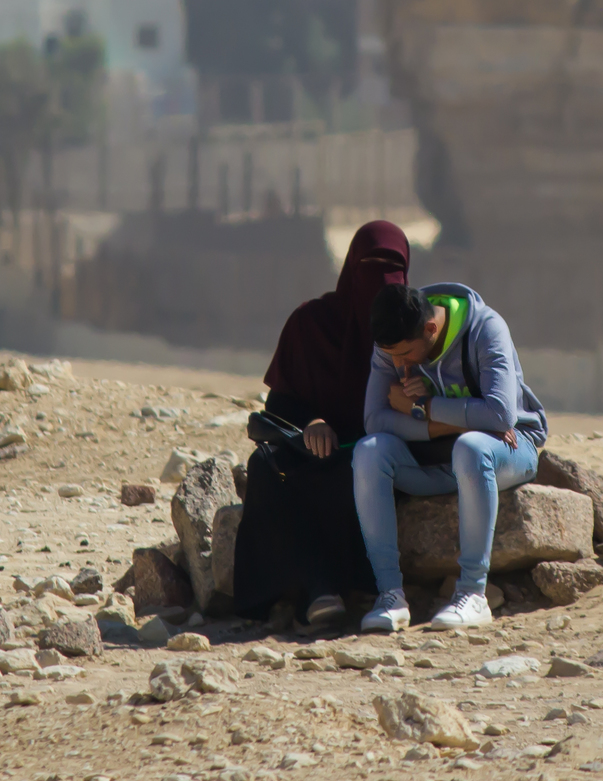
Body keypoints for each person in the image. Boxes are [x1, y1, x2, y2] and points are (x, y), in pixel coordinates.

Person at [230, 221, 409, 629]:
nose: (381, 281)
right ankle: (316, 589)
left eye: (392, 268)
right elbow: (279, 404)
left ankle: (344, 587)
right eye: (371, 266)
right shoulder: (309, 324)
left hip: (372, 451)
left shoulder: (407, 330)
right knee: (265, 468)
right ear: (350, 268)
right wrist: (312, 422)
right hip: (311, 448)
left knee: (356, 472)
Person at [352, 280, 549, 633]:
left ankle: (473, 594)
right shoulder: (392, 342)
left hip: (505, 451)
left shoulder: (485, 329)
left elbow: (502, 417)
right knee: (368, 453)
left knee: (471, 447)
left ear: (430, 329)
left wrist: (422, 407)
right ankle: (390, 597)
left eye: (404, 354)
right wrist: (445, 423)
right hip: (435, 459)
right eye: (389, 355)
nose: (396, 363)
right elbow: (375, 420)